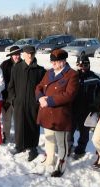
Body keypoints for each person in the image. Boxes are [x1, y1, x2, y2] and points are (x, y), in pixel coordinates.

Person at [36, 49, 79, 177]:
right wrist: (39, 97)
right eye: (52, 61)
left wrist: (49, 101)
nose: (53, 64)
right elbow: (39, 86)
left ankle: (61, 164)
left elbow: (69, 95)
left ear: (64, 61)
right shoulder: (49, 72)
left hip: (60, 115)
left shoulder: (72, 75)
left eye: (56, 61)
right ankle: (50, 159)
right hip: (47, 112)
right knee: (49, 139)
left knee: (62, 142)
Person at [7, 45, 46, 161]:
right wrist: (13, 99)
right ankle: (19, 145)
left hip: (33, 104)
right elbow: (11, 86)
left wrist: (38, 102)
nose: (30, 55)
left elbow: (43, 89)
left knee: (33, 125)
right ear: (23, 54)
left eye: (32, 53)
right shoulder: (16, 68)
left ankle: (33, 148)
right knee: (19, 124)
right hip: (19, 102)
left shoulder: (40, 70)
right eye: (27, 53)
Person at [68, 55, 100, 160]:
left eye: (85, 64)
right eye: (79, 64)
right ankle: (68, 148)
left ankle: (80, 150)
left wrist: (96, 106)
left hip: (87, 110)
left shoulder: (95, 78)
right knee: (69, 131)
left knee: (84, 133)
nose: (82, 67)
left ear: (89, 65)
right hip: (73, 109)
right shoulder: (72, 77)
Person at [0, 45, 22, 143]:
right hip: (7, 97)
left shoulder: (23, 64)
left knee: (19, 120)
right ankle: (6, 135)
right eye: (14, 55)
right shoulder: (5, 65)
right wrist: (5, 98)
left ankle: (19, 137)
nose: (16, 56)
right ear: (11, 56)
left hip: (19, 98)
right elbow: (1, 82)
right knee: (6, 119)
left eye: (18, 54)